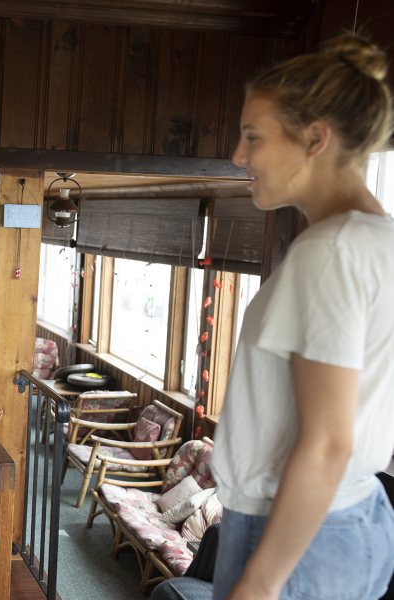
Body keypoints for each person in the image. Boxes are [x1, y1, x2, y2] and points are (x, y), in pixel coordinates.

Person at [212, 34, 394, 600]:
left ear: (316, 137)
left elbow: (328, 442)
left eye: (253, 136)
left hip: (293, 536)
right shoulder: (377, 240)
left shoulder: (330, 252)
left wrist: (260, 583)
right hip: (348, 519)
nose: (240, 156)